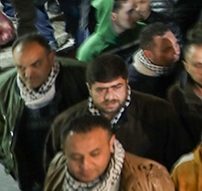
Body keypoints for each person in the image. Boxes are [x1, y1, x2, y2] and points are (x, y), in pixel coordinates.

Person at [45, 54, 190, 170]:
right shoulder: (65, 123)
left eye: (116, 87)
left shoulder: (159, 113)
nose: (109, 97)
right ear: (89, 88)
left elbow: (179, 165)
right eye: (101, 90)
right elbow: (54, 171)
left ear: (127, 82)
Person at [0, 35, 89, 191]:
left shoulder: (81, 76)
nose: (29, 74)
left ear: (51, 57)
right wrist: (10, 162)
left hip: (75, 175)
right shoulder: (4, 88)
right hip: (33, 178)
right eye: (21, 67)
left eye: (36, 64)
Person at [44, 115, 173, 191]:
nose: (85, 165)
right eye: (76, 157)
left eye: (95, 154)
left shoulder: (150, 179)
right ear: (64, 150)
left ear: (111, 144)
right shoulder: (58, 166)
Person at [127, 22, 181, 99]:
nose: (176, 52)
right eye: (167, 50)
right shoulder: (135, 86)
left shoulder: (183, 59)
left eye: (176, 44)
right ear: (148, 54)